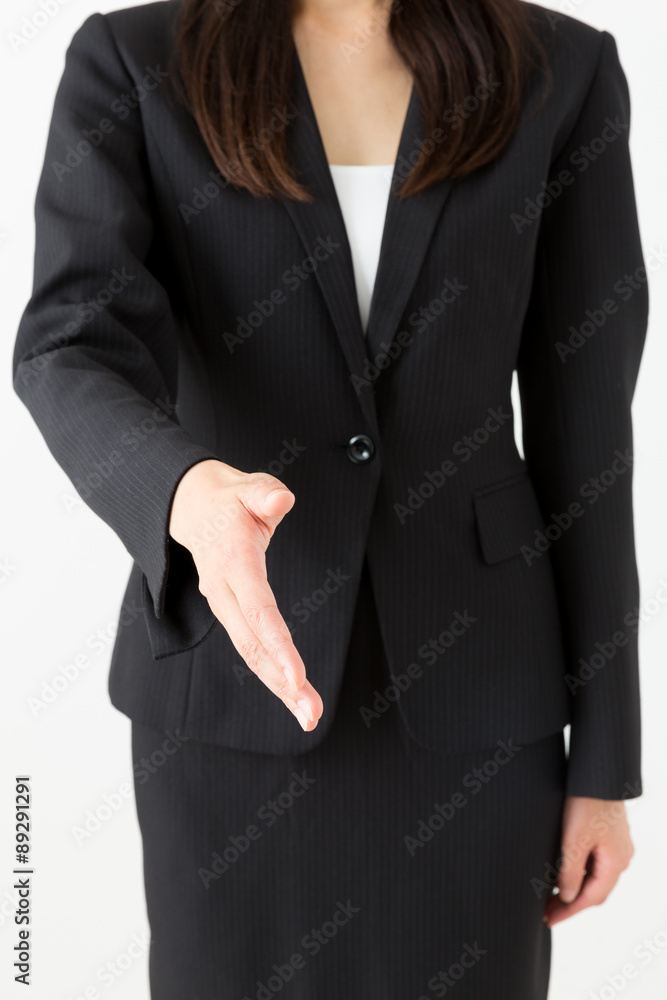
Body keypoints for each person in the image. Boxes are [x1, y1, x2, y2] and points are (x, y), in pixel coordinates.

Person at [12, 0, 648, 997]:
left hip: (479, 709)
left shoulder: (560, 70)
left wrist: (605, 761)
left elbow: (589, 439)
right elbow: (67, 345)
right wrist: (182, 490)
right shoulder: (135, 61)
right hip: (230, 697)